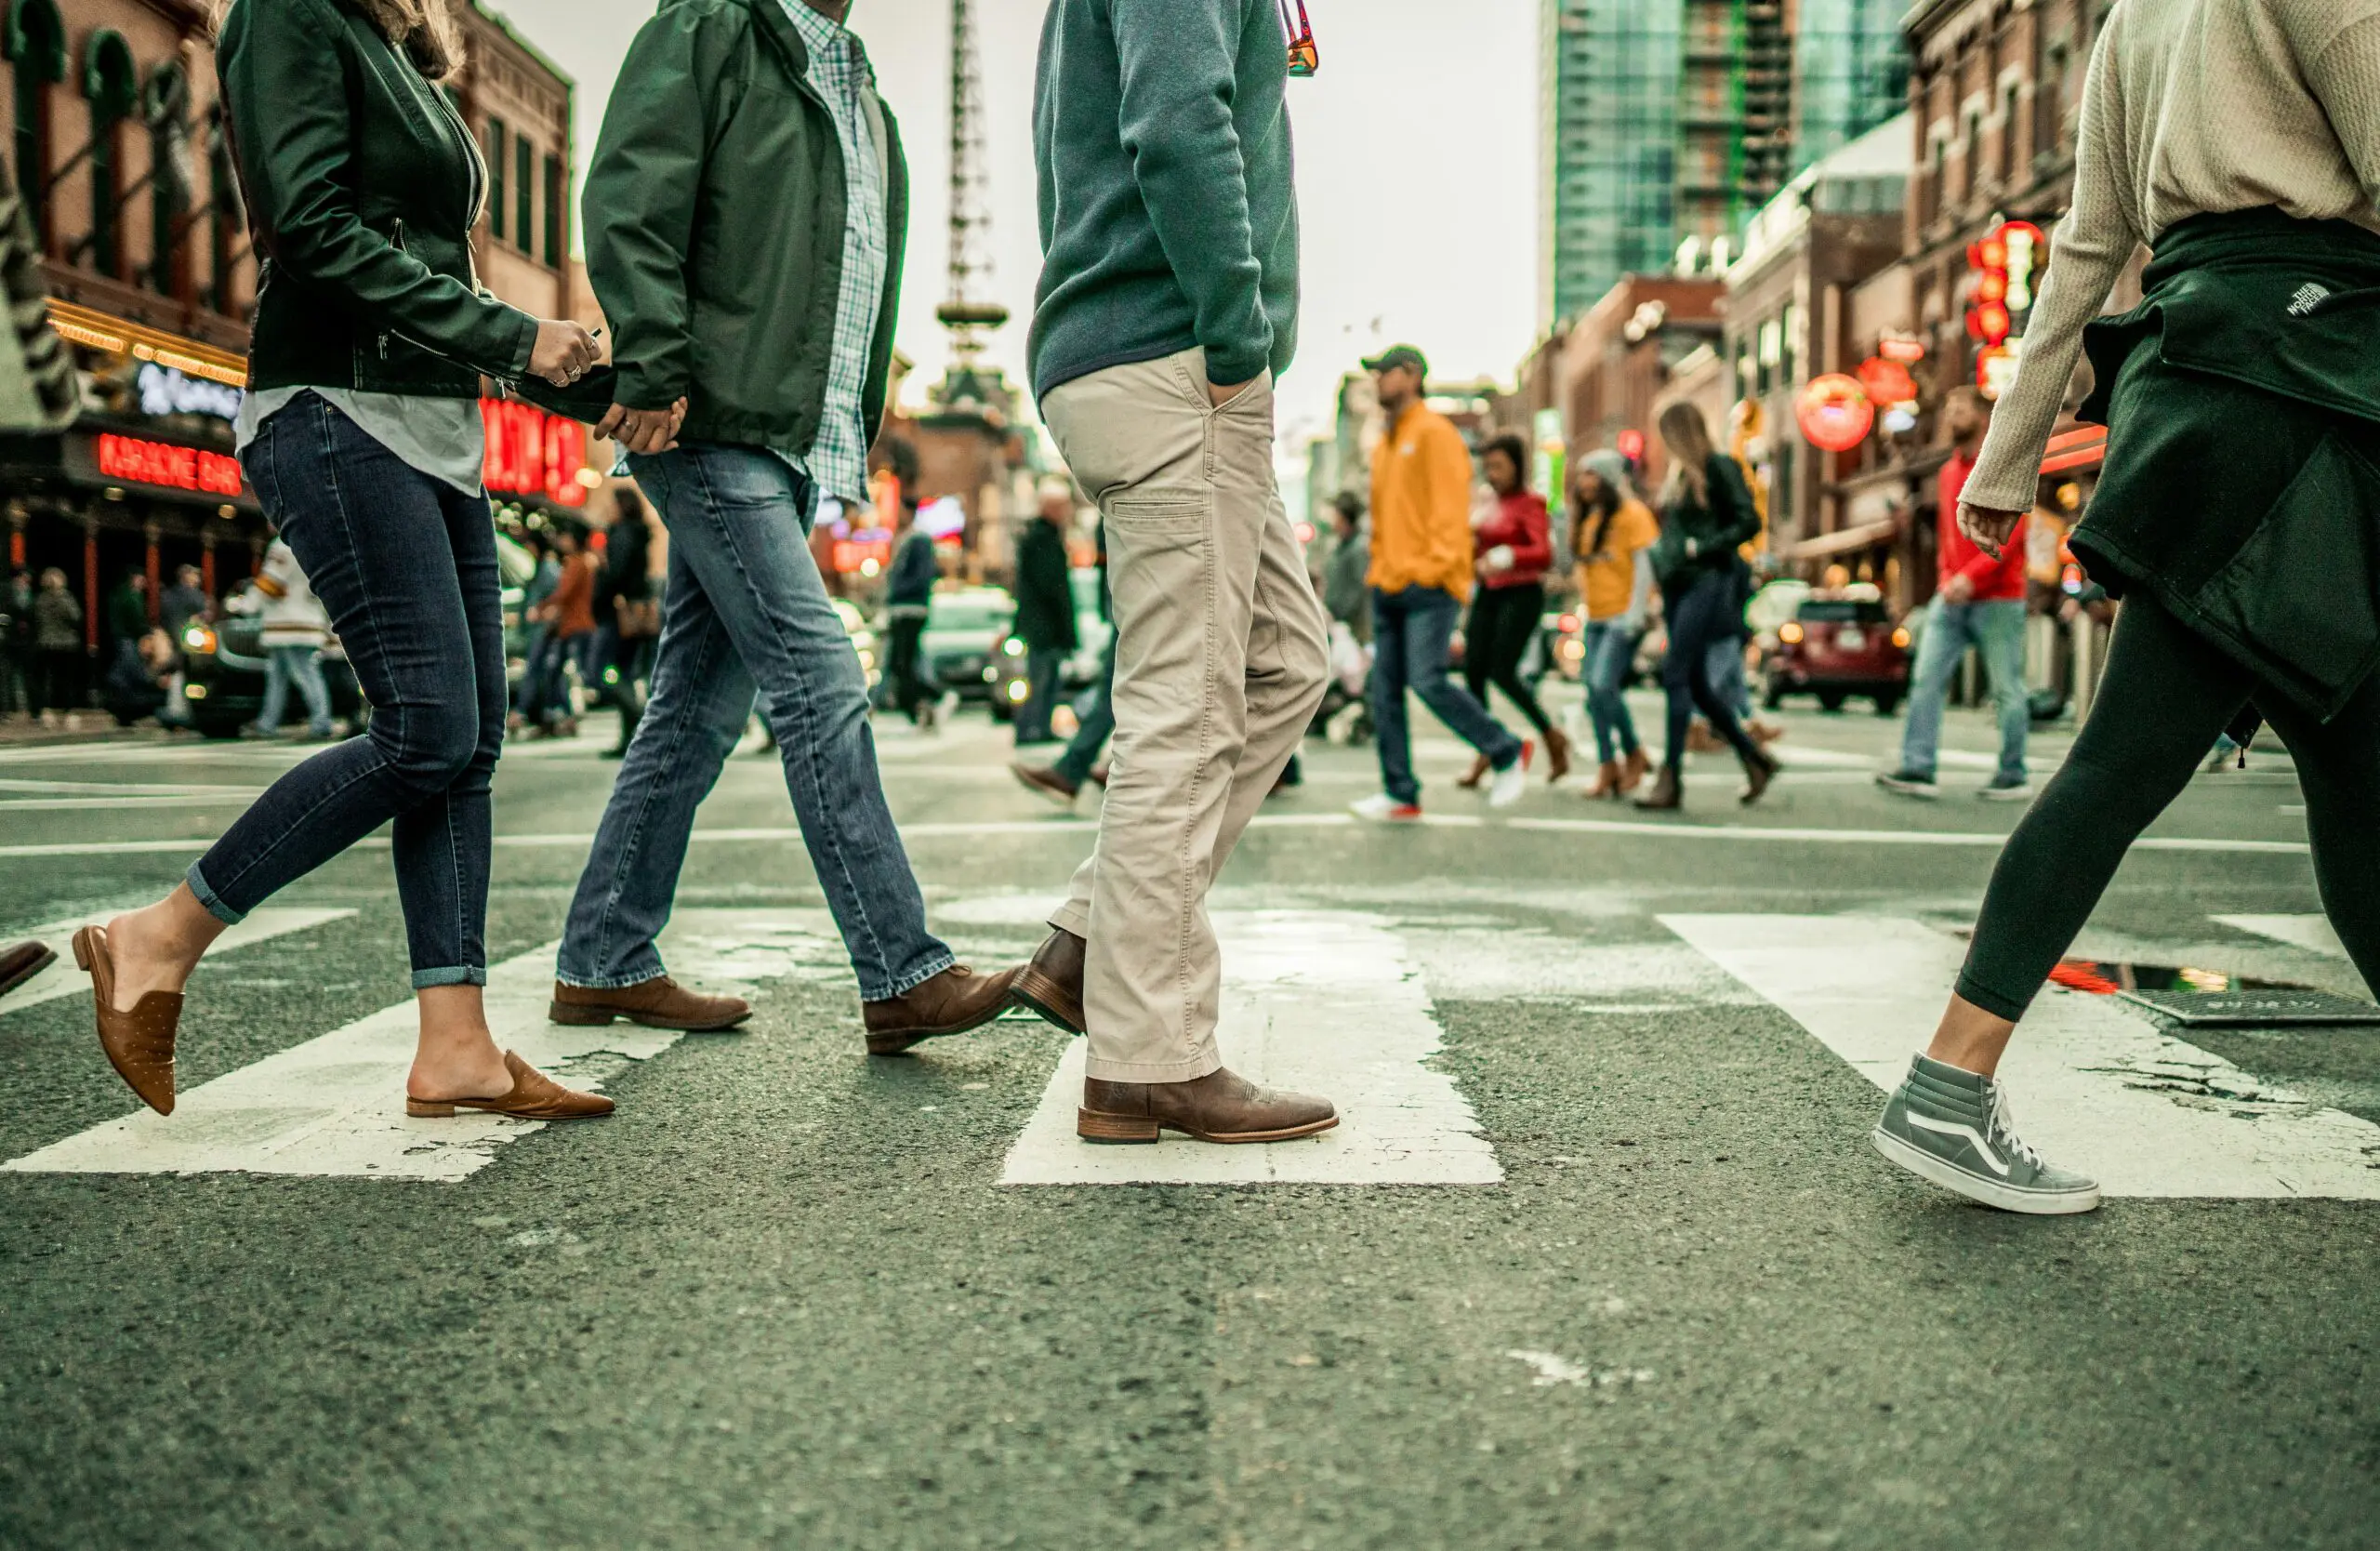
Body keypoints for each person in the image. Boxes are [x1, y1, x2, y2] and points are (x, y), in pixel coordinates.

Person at [1870, 0, 2380, 1216]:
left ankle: (1951, 1080)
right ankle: (1948, 1080)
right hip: (2306, 390)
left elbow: (2087, 247)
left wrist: (2008, 454)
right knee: (2129, 760)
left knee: (2357, 767)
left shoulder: (2137, 18)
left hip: (2201, 382)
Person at [70, 0, 610, 1122]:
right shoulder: (287, 12)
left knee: (468, 743)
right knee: (425, 727)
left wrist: (547, 367)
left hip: (431, 420)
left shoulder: (399, 49)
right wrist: (513, 335)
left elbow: (418, 251)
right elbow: (311, 230)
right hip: (333, 407)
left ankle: (455, 1046)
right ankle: (159, 935)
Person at [561, 0, 1017, 1052]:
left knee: (696, 707)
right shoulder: (710, 28)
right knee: (819, 676)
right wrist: (659, 364)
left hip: (793, 440)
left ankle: (604, 955)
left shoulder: (864, 96)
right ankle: (900, 969)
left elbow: (851, 287)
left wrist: (847, 435)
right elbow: (631, 195)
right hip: (709, 420)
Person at [1016, 0, 1337, 1144]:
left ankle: (1091, 941)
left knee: (1287, 663)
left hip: (1149, 353)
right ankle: (1147, 1057)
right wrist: (1237, 333)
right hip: (1173, 353)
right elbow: (1174, 120)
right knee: (1184, 709)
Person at [1351, 345, 1532, 820]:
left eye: (1385, 372)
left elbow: (1452, 512)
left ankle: (1506, 749)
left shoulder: (1435, 433)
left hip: (1428, 583)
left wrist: (1434, 569)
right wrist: (1380, 570)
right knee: (1384, 690)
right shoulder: (1388, 440)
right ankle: (1401, 792)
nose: (1378, 381)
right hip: (1387, 582)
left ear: (1412, 375)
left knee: (1427, 680)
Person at [1876, 386, 2032, 801]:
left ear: (1983, 417)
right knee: (1926, 679)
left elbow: (2013, 536)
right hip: (1951, 598)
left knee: (2006, 688)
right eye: (1948, 406)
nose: (1950, 413)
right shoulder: (1947, 472)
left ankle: (2013, 773)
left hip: (2000, 599)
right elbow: (1949, 538)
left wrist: (1972, 578)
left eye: (1959, 407)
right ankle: (1917, 768)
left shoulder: (2002, 465)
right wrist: (1948, 579)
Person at [1636, 402, 1778, 811]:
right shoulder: (1681, 476)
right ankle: (1754, 757)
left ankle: (1671, 777)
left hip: (1708, 580)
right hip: (1679, 585)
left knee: (1675, 672)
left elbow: (1749, 521)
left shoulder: (1719, 466)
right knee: (1695, 682)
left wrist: (1703, 546)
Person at [1455, 432, 1567, 788]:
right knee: (1473, 669)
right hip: (1488, 592)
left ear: (1516, 466)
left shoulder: (1530, 502)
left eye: (1499, 466)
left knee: (1502, 671)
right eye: (1487, 466)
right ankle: (1486, 744)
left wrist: (1509, 555)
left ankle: (1551, 735)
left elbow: (1544, 553)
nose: (1492, 473)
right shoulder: (1488, 502)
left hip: (1521, 592)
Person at [1570, 449, 1658, 800]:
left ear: (1608, 477)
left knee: (1603, 685)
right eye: (1581, 476)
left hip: (1623, 618)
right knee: (1594, 692)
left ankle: (1632, 753)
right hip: (1595, 617)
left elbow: (1644, 566)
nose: (1584, 483)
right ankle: (1610, 764)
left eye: (1591, 475)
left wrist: (1635, 614)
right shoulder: (1592, 519)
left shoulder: (1633, 514)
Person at [1012, 518, 1117, 805]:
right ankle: (1106, 766)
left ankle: (1080, 769)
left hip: (1138, 597)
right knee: (1120, 687)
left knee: (1117, 688)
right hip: (1131, 600)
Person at [245, 537, 334, 741]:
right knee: (278, 675)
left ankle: (321, 723)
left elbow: (271, 581)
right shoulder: (316, 542)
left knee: (304, 674)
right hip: (307, 618)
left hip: (288, 622)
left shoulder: (284, 543)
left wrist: (247, 605)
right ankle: (267, 723)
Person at [1012, 480, 1079, 746]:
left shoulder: (1040, 536)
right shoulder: (1043, 539)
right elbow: (1052, 587)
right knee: (1041, 679)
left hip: (1041, 624)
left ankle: (1037, 727)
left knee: (1046, 678)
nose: (1067, 512)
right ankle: (1032, 728)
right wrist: (1065, 626)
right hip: (1045, 626)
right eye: (1063, 507)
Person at [594, 489, 659, 759]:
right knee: (623, 671)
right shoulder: (638, 533)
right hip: (633, 614)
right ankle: (630, 737)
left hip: (619, 615)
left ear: (621, 506)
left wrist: (601, 589)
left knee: (604, 671)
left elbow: (616, 574)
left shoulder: (621, 534)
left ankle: (639, 717)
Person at [522, 526, 596, 736]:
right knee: (560, 671)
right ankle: (560, 716)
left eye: (565, 536)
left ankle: (561, 716)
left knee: (559, 671)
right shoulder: (587, 562)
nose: (562, 540)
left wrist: (540, 607)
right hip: (577, 624)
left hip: (573, 625)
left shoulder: (575, 562)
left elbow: (563, 593)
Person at [879, 490, 941, 727]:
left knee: (903, 662)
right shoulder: (904, 538)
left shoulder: (919, 540)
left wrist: (898, 590)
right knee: (902, 663)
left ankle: (934, 697)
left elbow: (922, 576)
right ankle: (922, 707)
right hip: (900, 609)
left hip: (911, 609)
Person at [30, 565, 81, 725]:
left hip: (46, 642)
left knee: (47, 679)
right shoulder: (66, 598)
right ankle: (68, 712)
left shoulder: (40, 599)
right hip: (66, 644)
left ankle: (46, 711)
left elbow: (35, 620)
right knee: (66, 680)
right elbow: (75, 617)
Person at [160, 563, 209, 637]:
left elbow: (203, 612)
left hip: (194, 633)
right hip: (179, 632)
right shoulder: (169, 594)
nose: (197, 578)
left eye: (197, 575)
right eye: (194, 574)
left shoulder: (199, 594)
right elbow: (170, 615)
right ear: (185, 576)